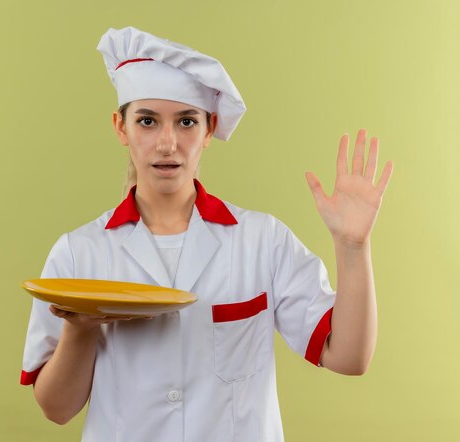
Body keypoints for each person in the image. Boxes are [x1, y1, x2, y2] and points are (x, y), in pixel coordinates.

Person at [20, 26, 393, 442]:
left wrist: (352, 246)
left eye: (186, 122)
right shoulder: (79, 253)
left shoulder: (262, 240)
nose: (167, 143)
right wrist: (82, 327)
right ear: (121, 127)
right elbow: (56, 409)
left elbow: (349, 356)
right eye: (147, 121)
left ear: (209, 128)